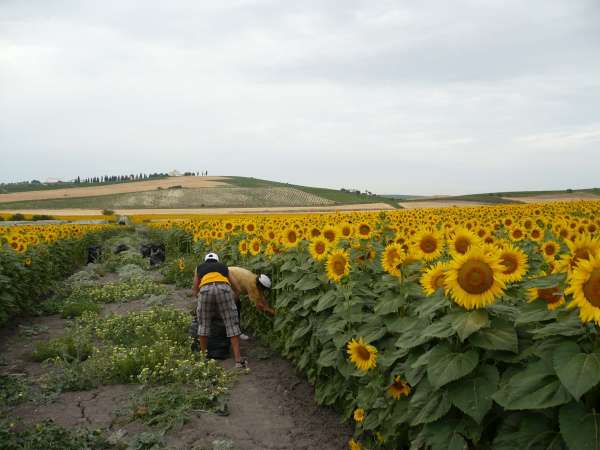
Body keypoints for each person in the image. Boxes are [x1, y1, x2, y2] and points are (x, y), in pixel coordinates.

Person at [192, 252, 247, 369]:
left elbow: (195, 288)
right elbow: (237, 287)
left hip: (205, 289)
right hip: (224, 288)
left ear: (205, 260)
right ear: (217, 260)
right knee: (232, 325)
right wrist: (234, 299)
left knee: (203, 325)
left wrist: (201, 300)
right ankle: (238, 361)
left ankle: (204, 359)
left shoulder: (199, 268)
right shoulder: (223, 267)